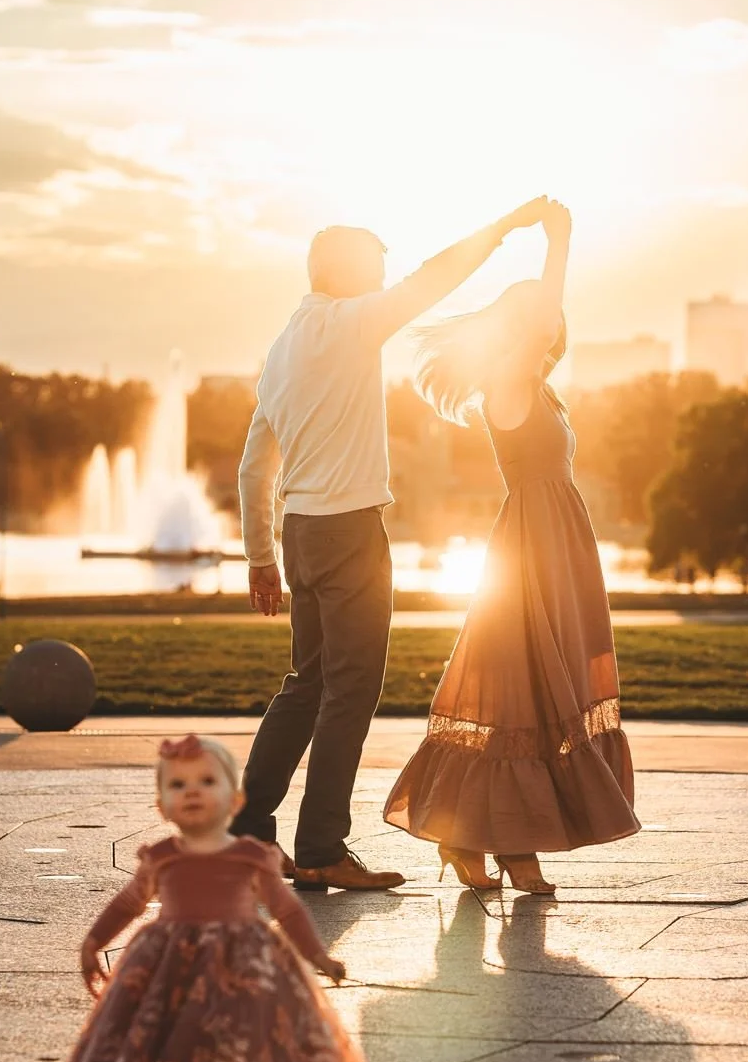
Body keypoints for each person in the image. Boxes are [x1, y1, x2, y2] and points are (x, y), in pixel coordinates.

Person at [236, 196, 553, 891]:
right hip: (349, 530)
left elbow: (255, 461)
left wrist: (260, 555)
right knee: (349, 690)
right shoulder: (353, 323)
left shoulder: (284, 345)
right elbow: (435, 277)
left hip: (299, 533)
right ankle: (320, 846)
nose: (385, 282)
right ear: (349, 275)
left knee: (306, 683)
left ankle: (248, 831)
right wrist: (500, 229)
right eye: (376, 269)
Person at [383, 201, 639, 894]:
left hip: (558, 547)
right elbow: (545, 318)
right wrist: (560, 242)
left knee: (534, 693)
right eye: (540, 320)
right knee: (520, 694)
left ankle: (471, 839)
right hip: (528, 549)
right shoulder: (509, 382)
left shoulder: (542, 387)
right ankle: (506, 845)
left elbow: (549, 328)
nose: (554, 327)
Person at [59, 735, 362, 1062]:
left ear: (234, 800)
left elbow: (287, 911)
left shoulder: (251, 857)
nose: (193, 791)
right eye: (178, 784)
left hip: (244, 973)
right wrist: (93, 941)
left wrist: (317, 955)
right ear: (162, 805)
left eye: (206, 781)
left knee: (258, 1055)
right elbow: (128, 903)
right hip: (170, 973)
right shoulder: (161, 858)